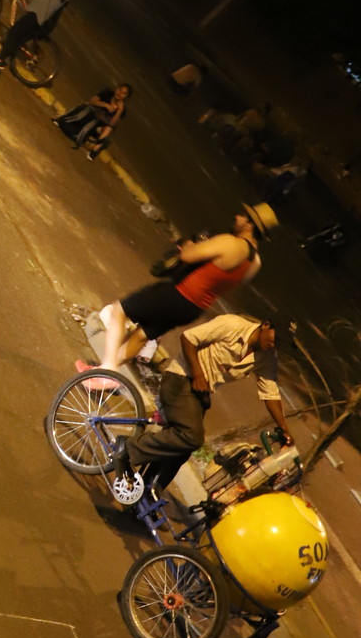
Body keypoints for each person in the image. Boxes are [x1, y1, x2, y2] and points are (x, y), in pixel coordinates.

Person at [113, 316, 292, 493]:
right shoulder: (232, 325)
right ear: (266, 325)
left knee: (184, 448)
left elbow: (270, 393)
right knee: (192, 437)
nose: (277, 344)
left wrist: (284, 428)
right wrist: (198, 374)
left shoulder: (267, 357)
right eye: (277, 337)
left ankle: (150, 489)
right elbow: (189, 338)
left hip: (199, 393)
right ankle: (127, 448)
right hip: (180, 378)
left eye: (282, 342)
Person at [93, 203, 276, 375]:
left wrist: (190, 243)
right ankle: (105, 375)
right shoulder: (254, 263)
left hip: (178, 294)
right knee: (142, 335)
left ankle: (107, 369)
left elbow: (188, 256)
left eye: (242, 216)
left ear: (249, 226)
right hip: (193, 309)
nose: (237, 217)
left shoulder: (232, 243)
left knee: (119, 311)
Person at [55, 84, 131, 159]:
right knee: (83, 109)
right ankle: (64, 122)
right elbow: (93, 101)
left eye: (124, 93)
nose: (120, 93)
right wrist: (106, 105)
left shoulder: (122, 111)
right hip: (87, 118)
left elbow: (112, 124)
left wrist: (119, 111)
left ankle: (93, 151)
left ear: (126, 98)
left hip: (94, 128)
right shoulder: (107, 93)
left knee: (108, 129)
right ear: (116, 89)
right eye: (120, 89)